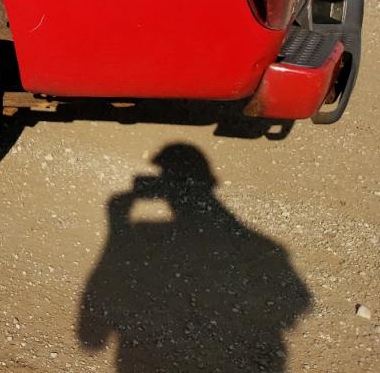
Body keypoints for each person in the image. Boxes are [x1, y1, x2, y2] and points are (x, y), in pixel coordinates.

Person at [77, 143, 311, 372]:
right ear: (210, 182)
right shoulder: (266, 248)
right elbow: (300, 302)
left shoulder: (143, 232)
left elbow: (91, 338)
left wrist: (118, 227)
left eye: (165, 178)